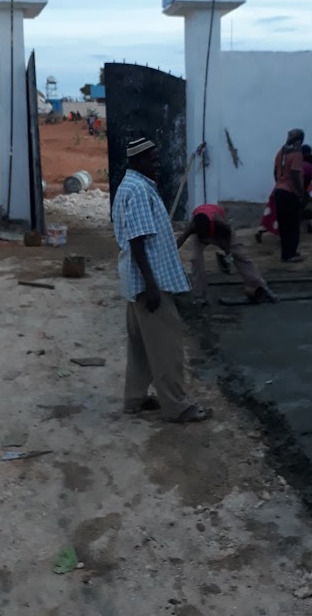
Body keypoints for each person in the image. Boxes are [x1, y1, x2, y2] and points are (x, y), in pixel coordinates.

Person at [112, 136, 211, 423]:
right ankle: (177, 406)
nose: (157, 164)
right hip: (148, 283)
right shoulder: (139, 190)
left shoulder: (130, 186)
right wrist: (152, 285)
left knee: (141, 345)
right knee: (168, 345)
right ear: (137, 160)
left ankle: (135, 398)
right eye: (152, 159)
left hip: (137, 282)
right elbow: (137, 240)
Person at [177, 204, 276, 305]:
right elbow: (181, 239)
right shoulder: (193, 226)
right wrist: (172, 253)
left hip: (221, 232)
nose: (206, 239)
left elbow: (228, 230)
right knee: (195, 260)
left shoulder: (219, 222)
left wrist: (228, 251)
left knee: (240, 255)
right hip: (202, 232)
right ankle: (199, 297)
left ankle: (262, 288)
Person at [273, 128, 305, 262]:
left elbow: (275, 171)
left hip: (279, 191)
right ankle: (290, 254)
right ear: (299, 140)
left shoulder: (281, 152)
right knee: (293, 225)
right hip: (290, 193)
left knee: (284, 225)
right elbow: (295, 174)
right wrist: (301, 192)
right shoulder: (297, 154)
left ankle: (286, 253)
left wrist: (279, 182)